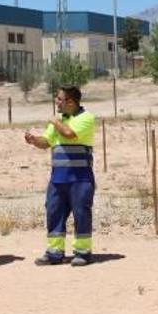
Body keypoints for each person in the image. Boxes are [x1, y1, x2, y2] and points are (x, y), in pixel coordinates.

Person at [24, 86, 96, 266]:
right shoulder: (59, 122)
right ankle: (54, 252)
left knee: (81, 214)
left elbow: (69, 134)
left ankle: (83, 252)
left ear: (70, 101)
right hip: (58, 180)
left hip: (80, 179)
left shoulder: (86, 118)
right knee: (54, 213)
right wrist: (34, 140)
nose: (56, 102)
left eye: (59, 99)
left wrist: (55, 122)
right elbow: (46, 142)